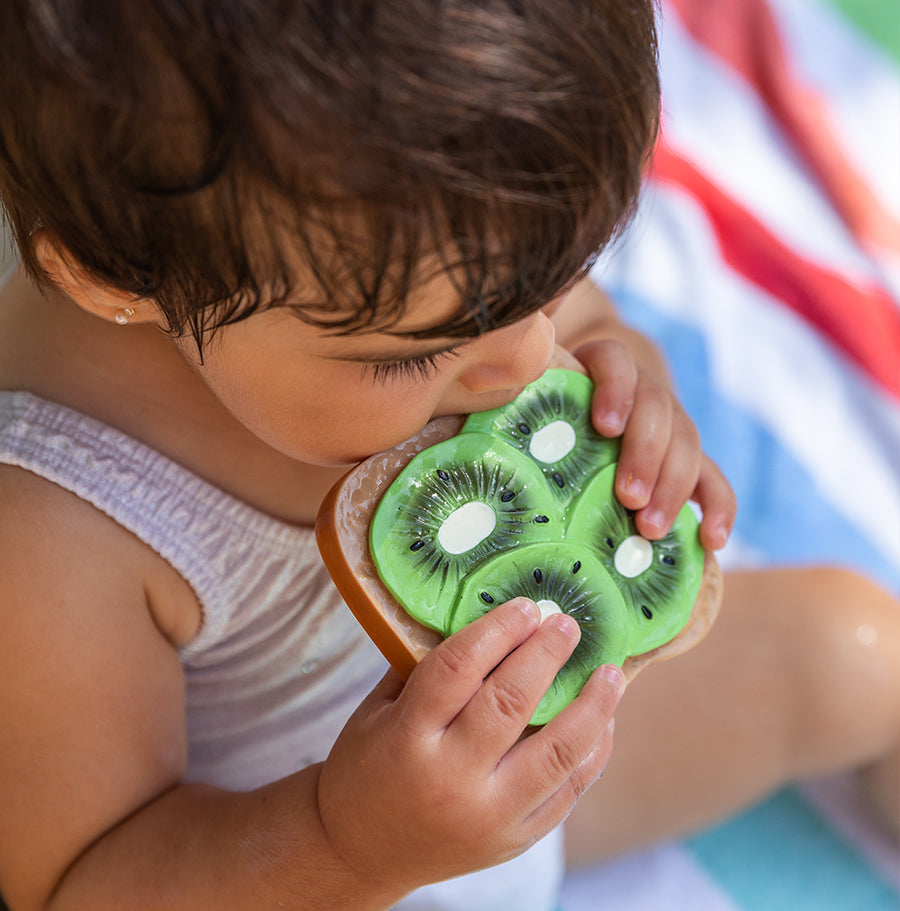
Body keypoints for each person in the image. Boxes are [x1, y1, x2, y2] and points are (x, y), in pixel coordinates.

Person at [0, 2, 897, 909]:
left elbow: (572, 327)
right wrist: (347, 844)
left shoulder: (413, 228)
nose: (520, 365)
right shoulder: (54, 532)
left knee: (859, 650)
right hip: (307, 867)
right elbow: (85, 882)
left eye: (549, 282)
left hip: (535, 733)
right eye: (417, 353)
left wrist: (630, 374)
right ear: (118, 278)